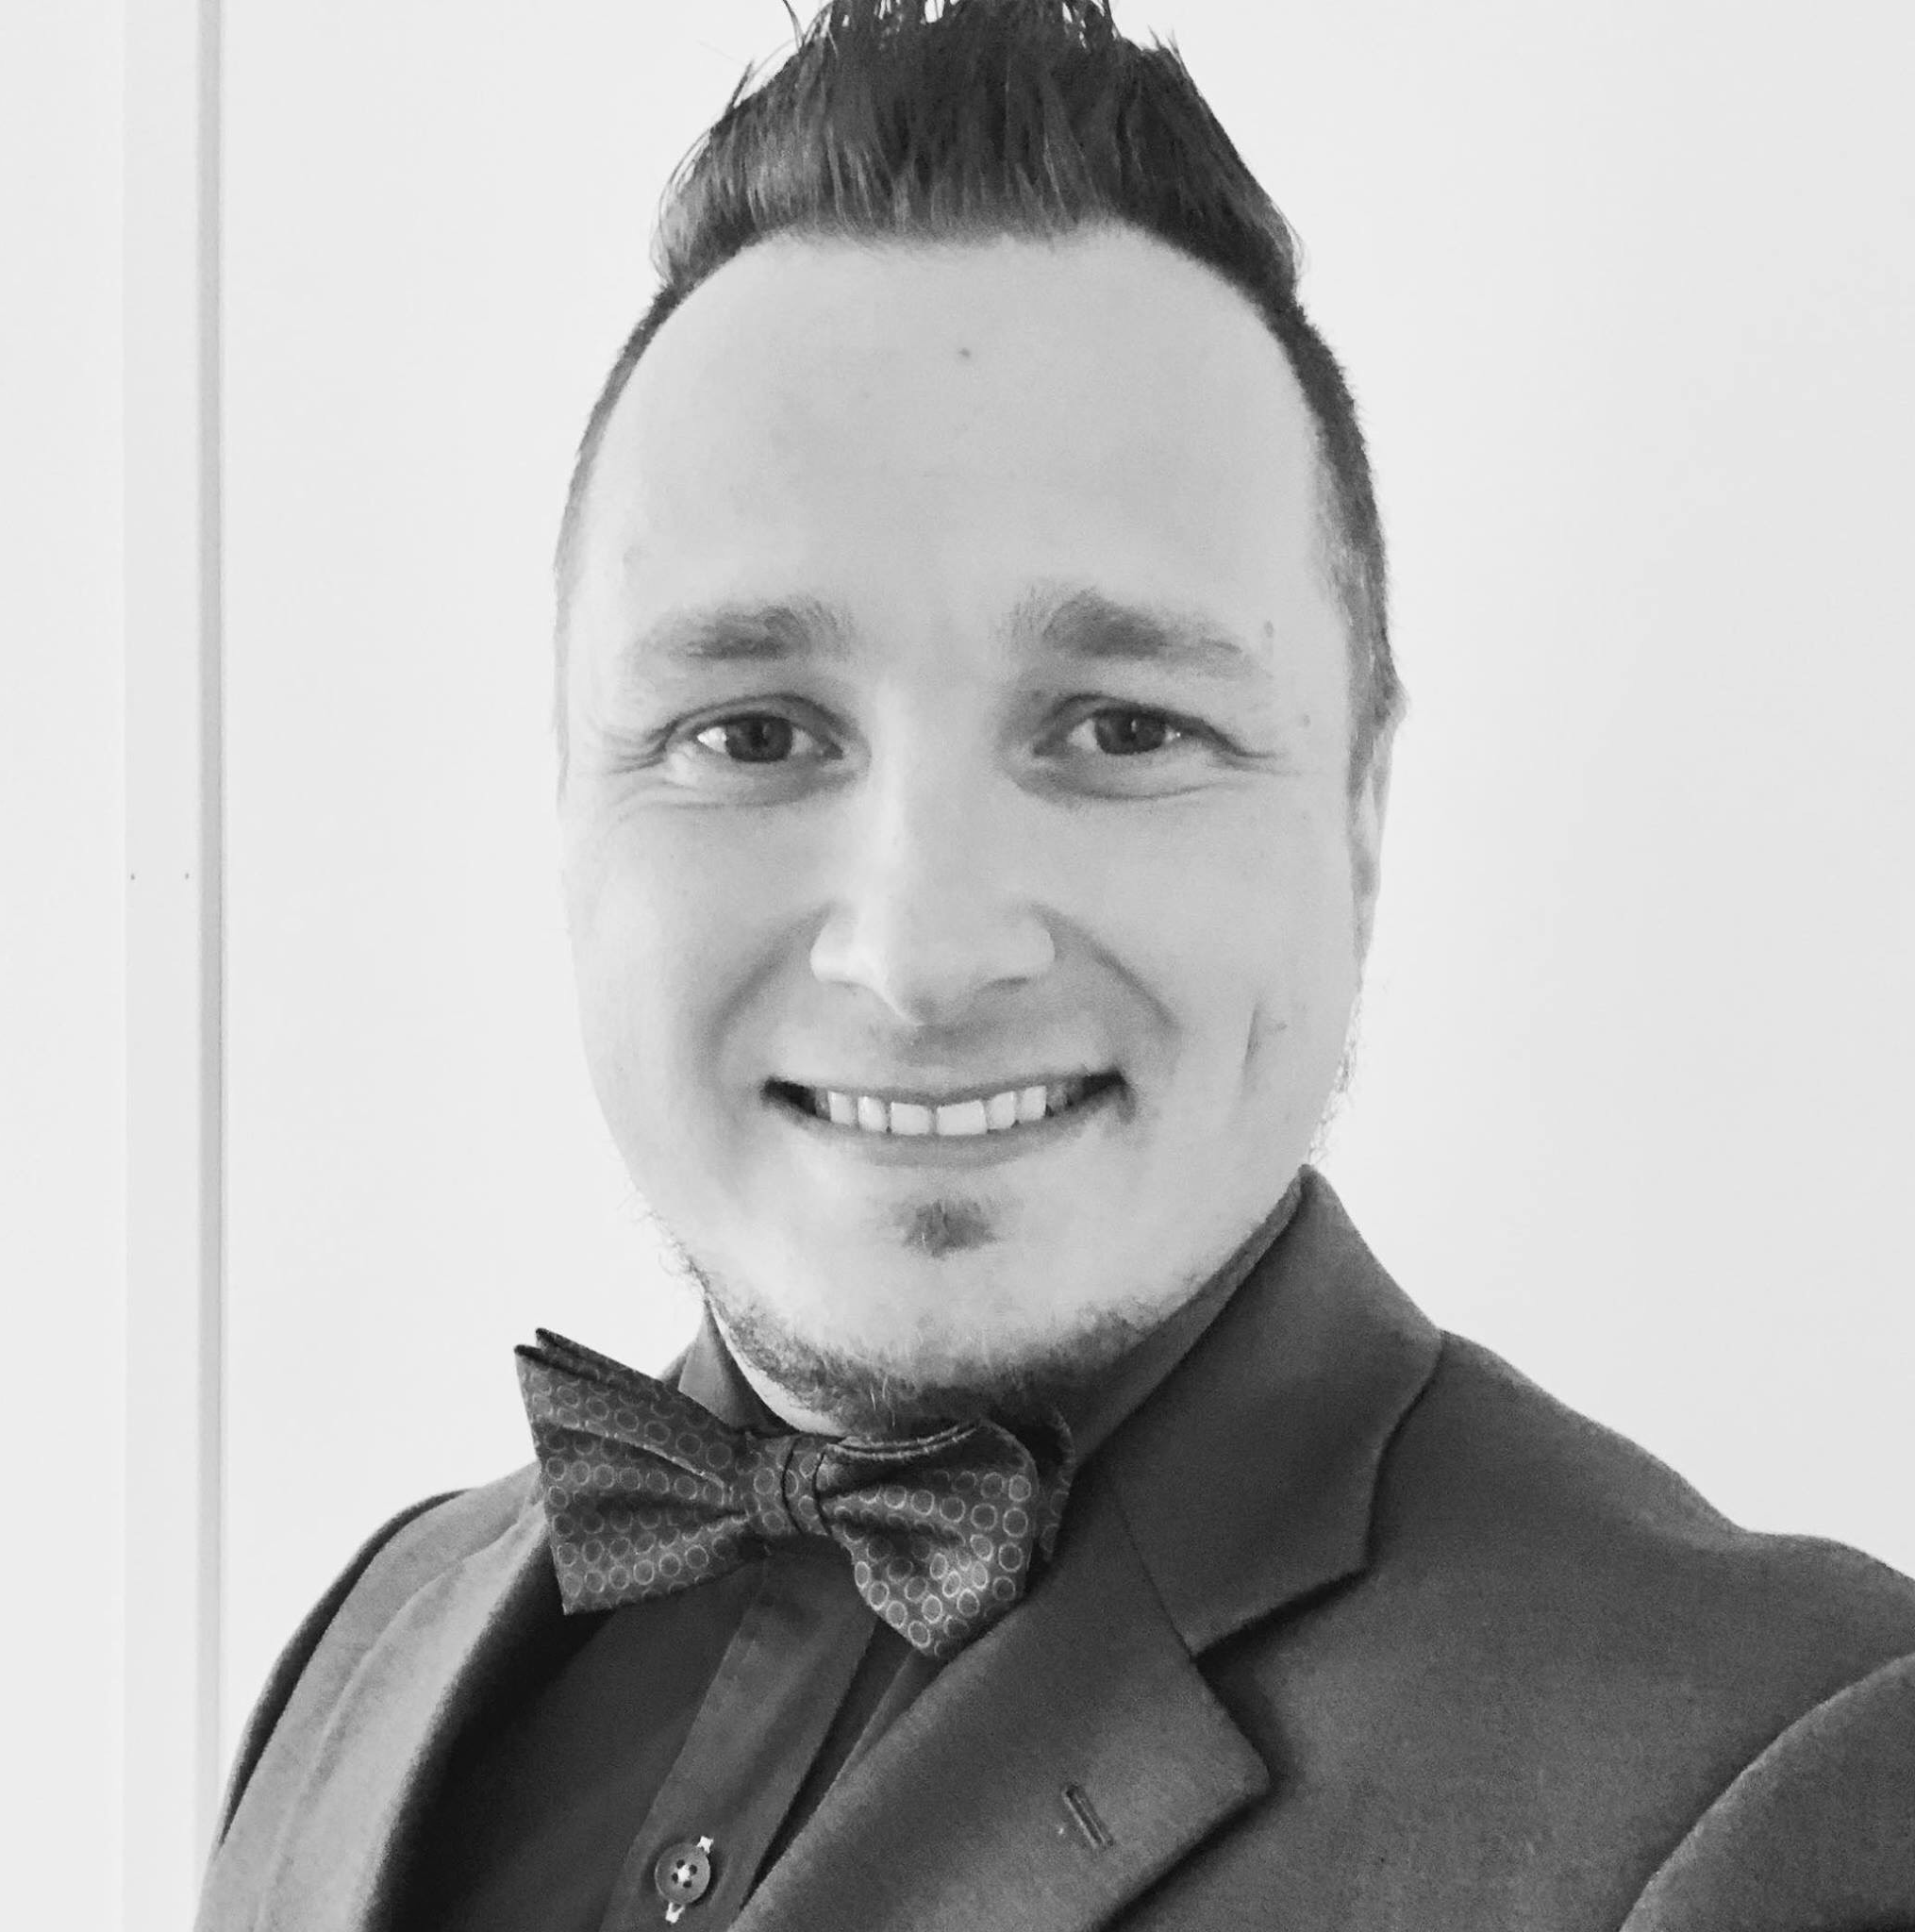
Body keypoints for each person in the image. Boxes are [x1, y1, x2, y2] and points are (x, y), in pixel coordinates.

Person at [195, 3, 1915, 1928]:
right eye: (752, 733)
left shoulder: (1791, 1775)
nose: (920, 955)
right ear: (571, 798)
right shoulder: (367, 1644)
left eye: (1121, 728)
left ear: (1358, 807)